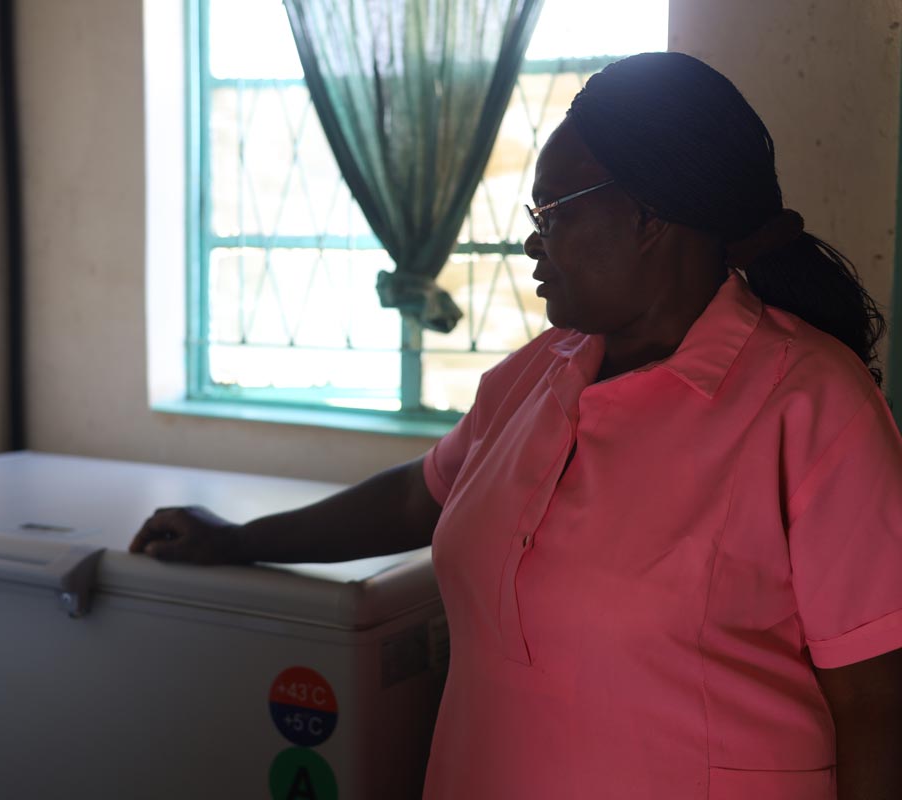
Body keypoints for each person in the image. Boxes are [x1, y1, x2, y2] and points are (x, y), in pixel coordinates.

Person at [130, 52, 902, 799]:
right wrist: (238, 540)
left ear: (647, 217)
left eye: (553, 211)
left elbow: (875, 708)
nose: (533, 240)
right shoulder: (542, 370)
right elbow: (417, 498)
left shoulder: (810, 404)